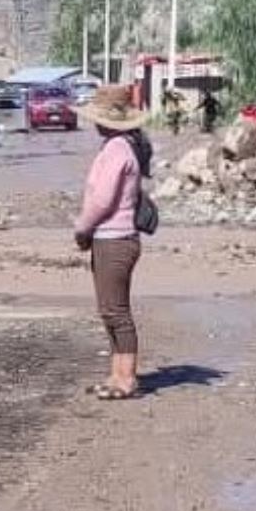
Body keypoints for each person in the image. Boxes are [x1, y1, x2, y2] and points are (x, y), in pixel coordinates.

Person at [73, 85, 152, 400]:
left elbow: (102, 200)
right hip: (116, 238)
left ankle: (126, 378)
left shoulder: (116, 150)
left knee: (116, 311)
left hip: (113, 238)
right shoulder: (122, 146)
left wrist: (82, 228)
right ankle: (117, 374)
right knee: (110, 310)